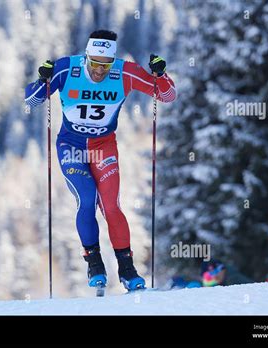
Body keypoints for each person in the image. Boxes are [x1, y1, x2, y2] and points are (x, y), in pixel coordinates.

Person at [24, 29, 176, 291]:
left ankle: (127, 271)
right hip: (71, 146)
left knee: (111, 205)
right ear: (86, 57)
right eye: (94, 64)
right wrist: (42, 79)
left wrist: (160, 76)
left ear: (112, 62)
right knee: (87, 198)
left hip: (103, 146)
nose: (99, 71)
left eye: (105, 66)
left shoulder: (123, 72)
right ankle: (94, 264)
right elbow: (31, 99)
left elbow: (167, 96)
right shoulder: (67, 69)